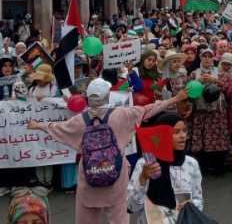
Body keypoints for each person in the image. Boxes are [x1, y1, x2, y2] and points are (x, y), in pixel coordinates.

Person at [26, 78, 188, 224]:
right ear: (107, 96)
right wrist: (175, 99)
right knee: (119, 217)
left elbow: (58, 128)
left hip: (89, 176)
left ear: (88, 97)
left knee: (86, 218)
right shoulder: (122, 114)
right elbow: (148, 109)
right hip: (116, 175)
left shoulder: (78, 121)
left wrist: (38, 126)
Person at [128, 112, 203, 223]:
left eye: (184, 131)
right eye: (176, 132)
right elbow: (131, 206)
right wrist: (142, 178)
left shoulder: (190, 163)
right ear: (162, 134)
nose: (183, 136)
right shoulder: (146, 164)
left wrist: (189, 205)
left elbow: (198, 201)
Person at [189, 51, 232, 175]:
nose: (207, 59)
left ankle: (218, 167)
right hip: (201, 111)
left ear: (213, 59)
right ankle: (203, 168)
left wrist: (215, 80)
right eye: (204, 56)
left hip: (216, 112)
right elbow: (188, 90)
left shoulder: (220, 72)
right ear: (201, 58)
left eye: (209, 57)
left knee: (218, 139)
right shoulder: (194, 73)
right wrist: (198, 81)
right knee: (202, 139)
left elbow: (228, 88)